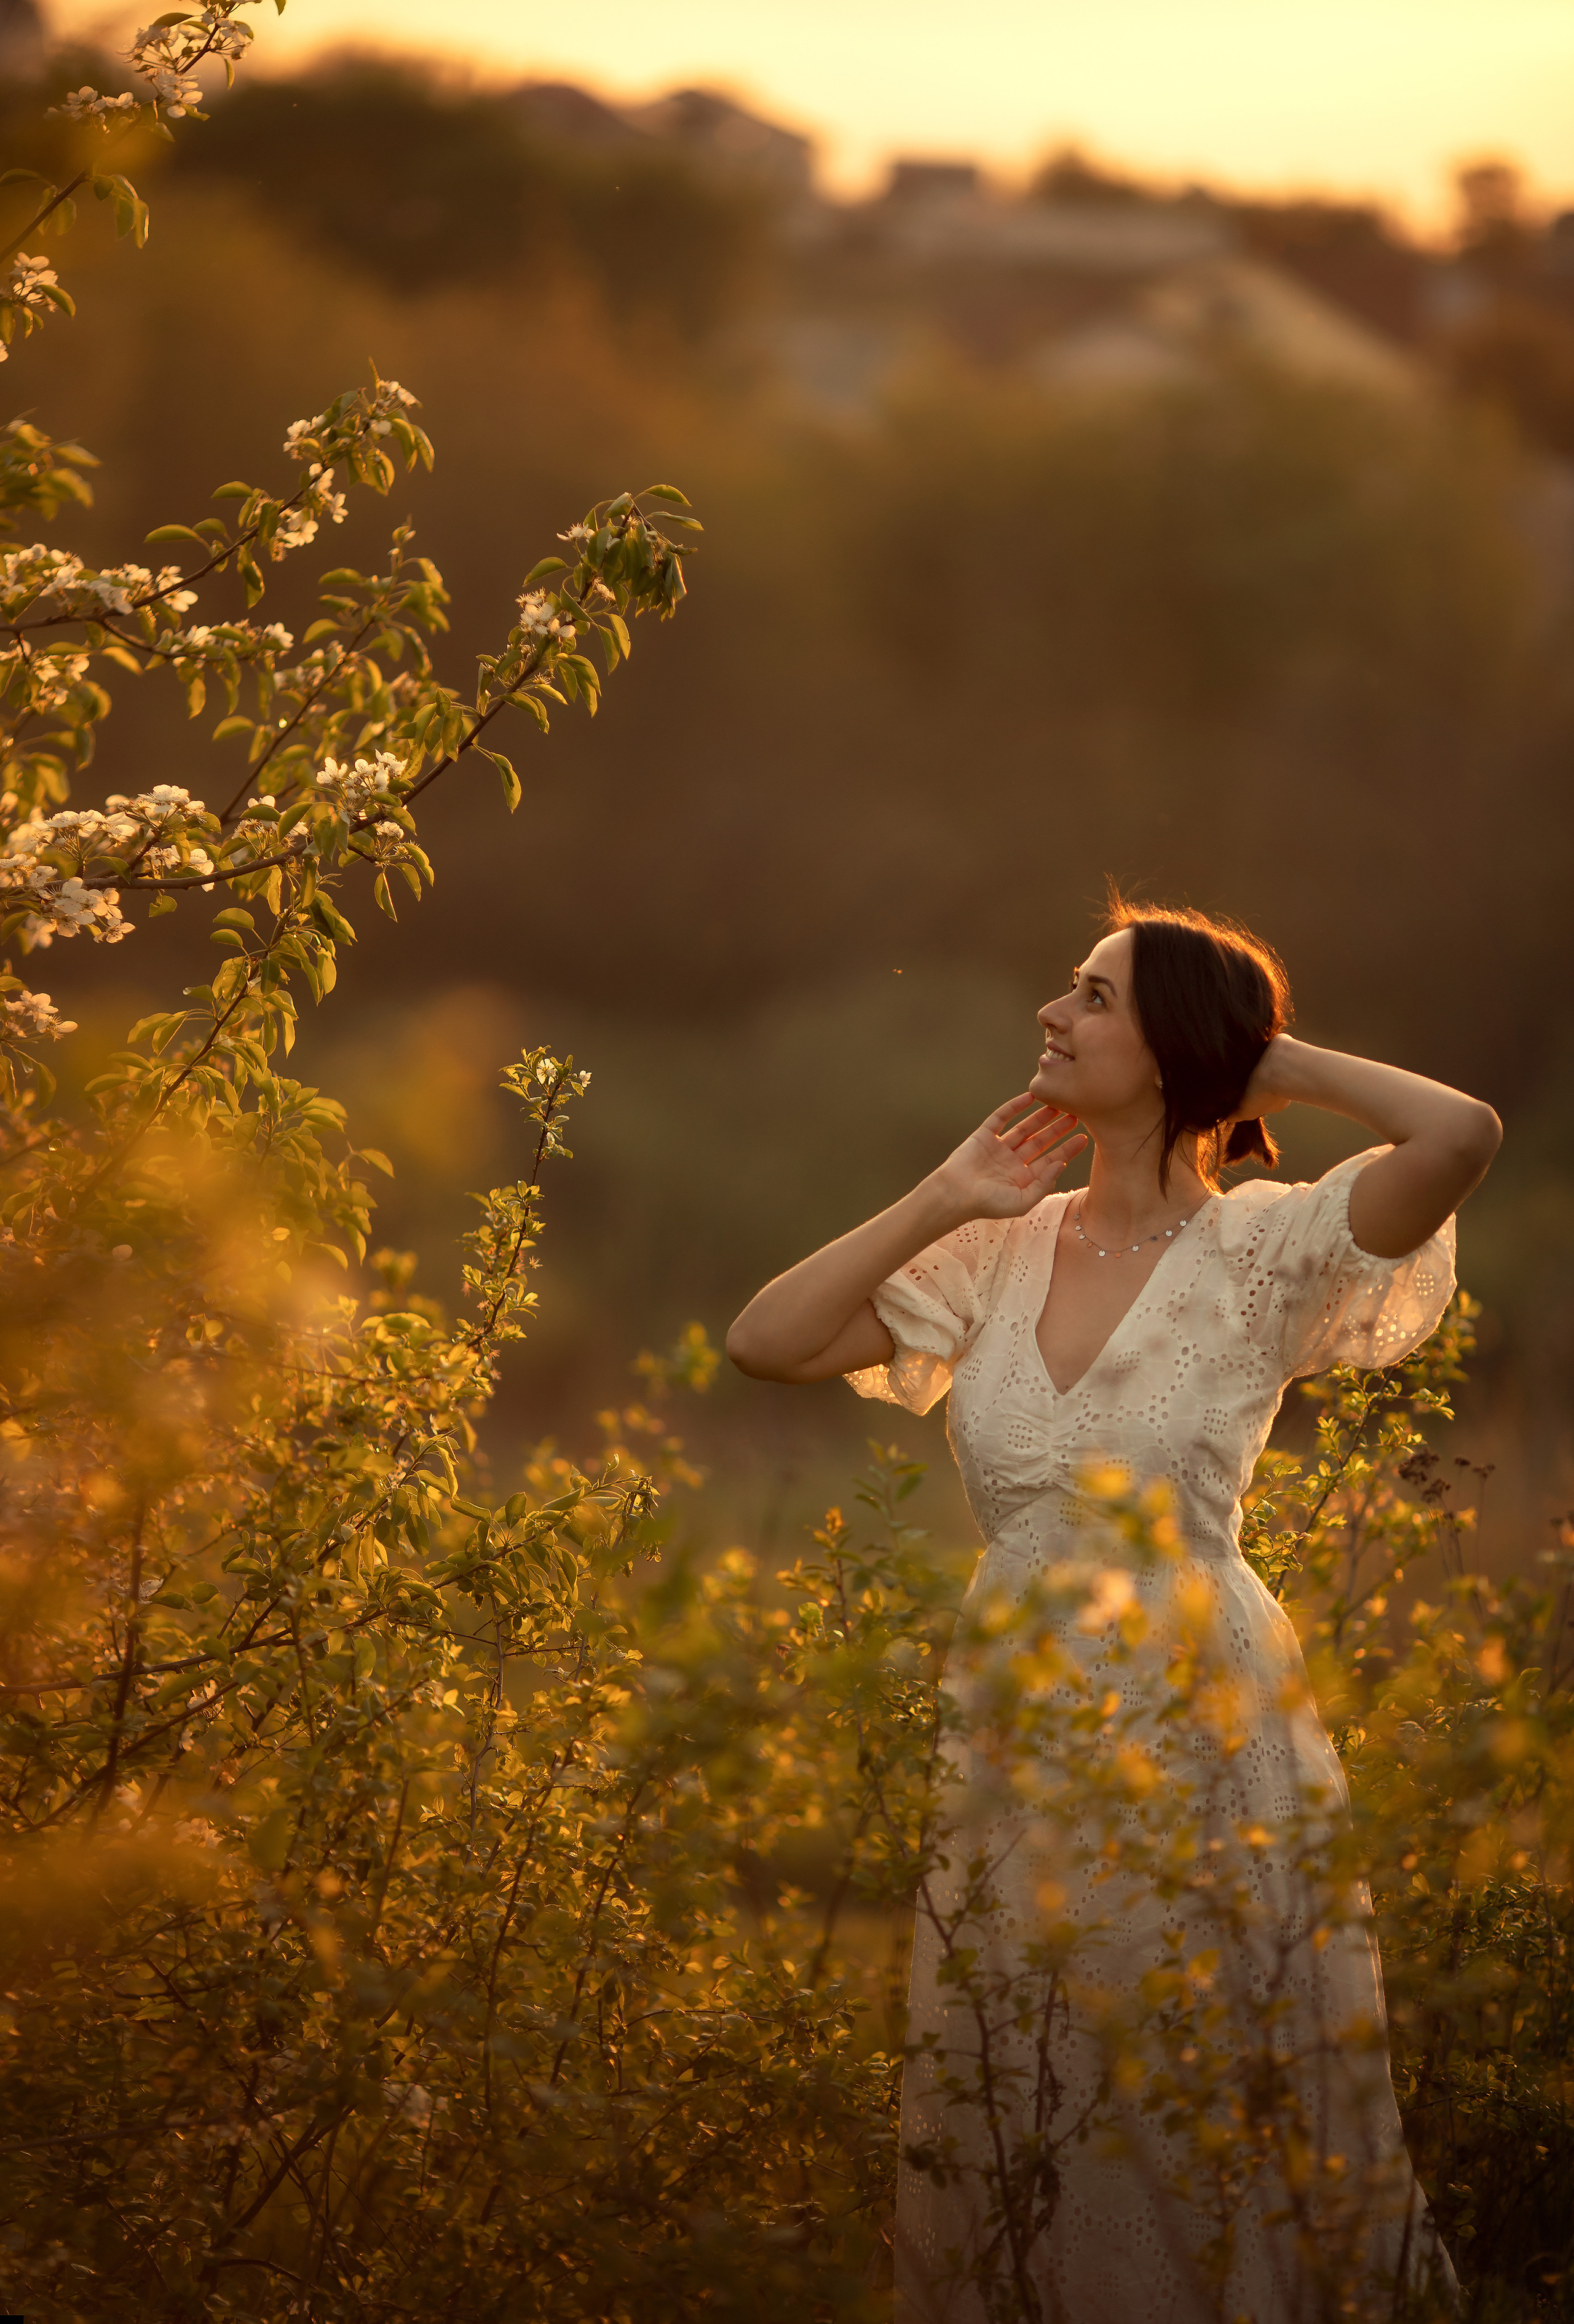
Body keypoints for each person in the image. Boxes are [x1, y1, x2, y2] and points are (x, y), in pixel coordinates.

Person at [726, 896, 1500, 2323]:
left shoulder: (1266, 1250)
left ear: (1172, 1048)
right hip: (1014, 1716)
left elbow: (1458, 1133)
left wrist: (1272, 1063)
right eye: (1065, 987)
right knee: (1028, 2066)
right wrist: (944, 1195)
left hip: (1201, 1713)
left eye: (1092, 995)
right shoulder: (996, 1248)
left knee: (1192, 2073)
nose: (1050, 1012)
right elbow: (762, 1340)